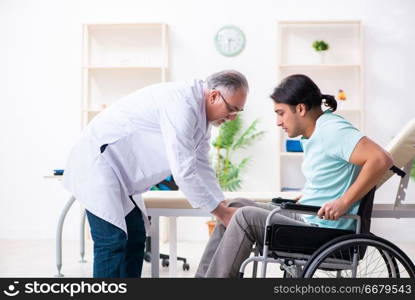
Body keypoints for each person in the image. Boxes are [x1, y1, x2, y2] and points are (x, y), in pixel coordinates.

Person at [195, 74, 393, 278]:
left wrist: (343, 202)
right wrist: (308, 195)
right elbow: (333, 174)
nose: (278, 122)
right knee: (234, 206)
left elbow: (381, 159)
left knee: (244, 217)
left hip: (325, 232)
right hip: (309, 218)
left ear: (300, 108)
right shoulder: (316, 132)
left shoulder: (332, 130)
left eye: (281, 113)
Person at [63, 70, 249, 277]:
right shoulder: (182, 104)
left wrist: (221, 204)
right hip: (97, 163)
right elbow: (184, 171)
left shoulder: (202, 118)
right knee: (112, 241)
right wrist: (221, 213)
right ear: (214, 96)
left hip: (119, 175)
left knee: (135, 237)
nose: (232, 118)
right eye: (232, 109)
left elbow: (202, 164)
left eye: (237, 112)